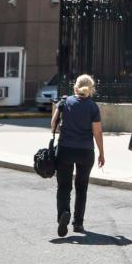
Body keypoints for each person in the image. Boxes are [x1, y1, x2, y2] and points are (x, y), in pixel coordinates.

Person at [51, 74, 105, 237]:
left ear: (75, 87)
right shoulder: (93, 107)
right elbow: (97, 132)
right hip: (85, 151)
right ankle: (78, 223)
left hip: (65, 149)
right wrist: (102, 153)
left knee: (64, 186)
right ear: (91, 90)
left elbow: (53, 124)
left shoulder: (64, 102)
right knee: (81, 188)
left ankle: (63, 214)